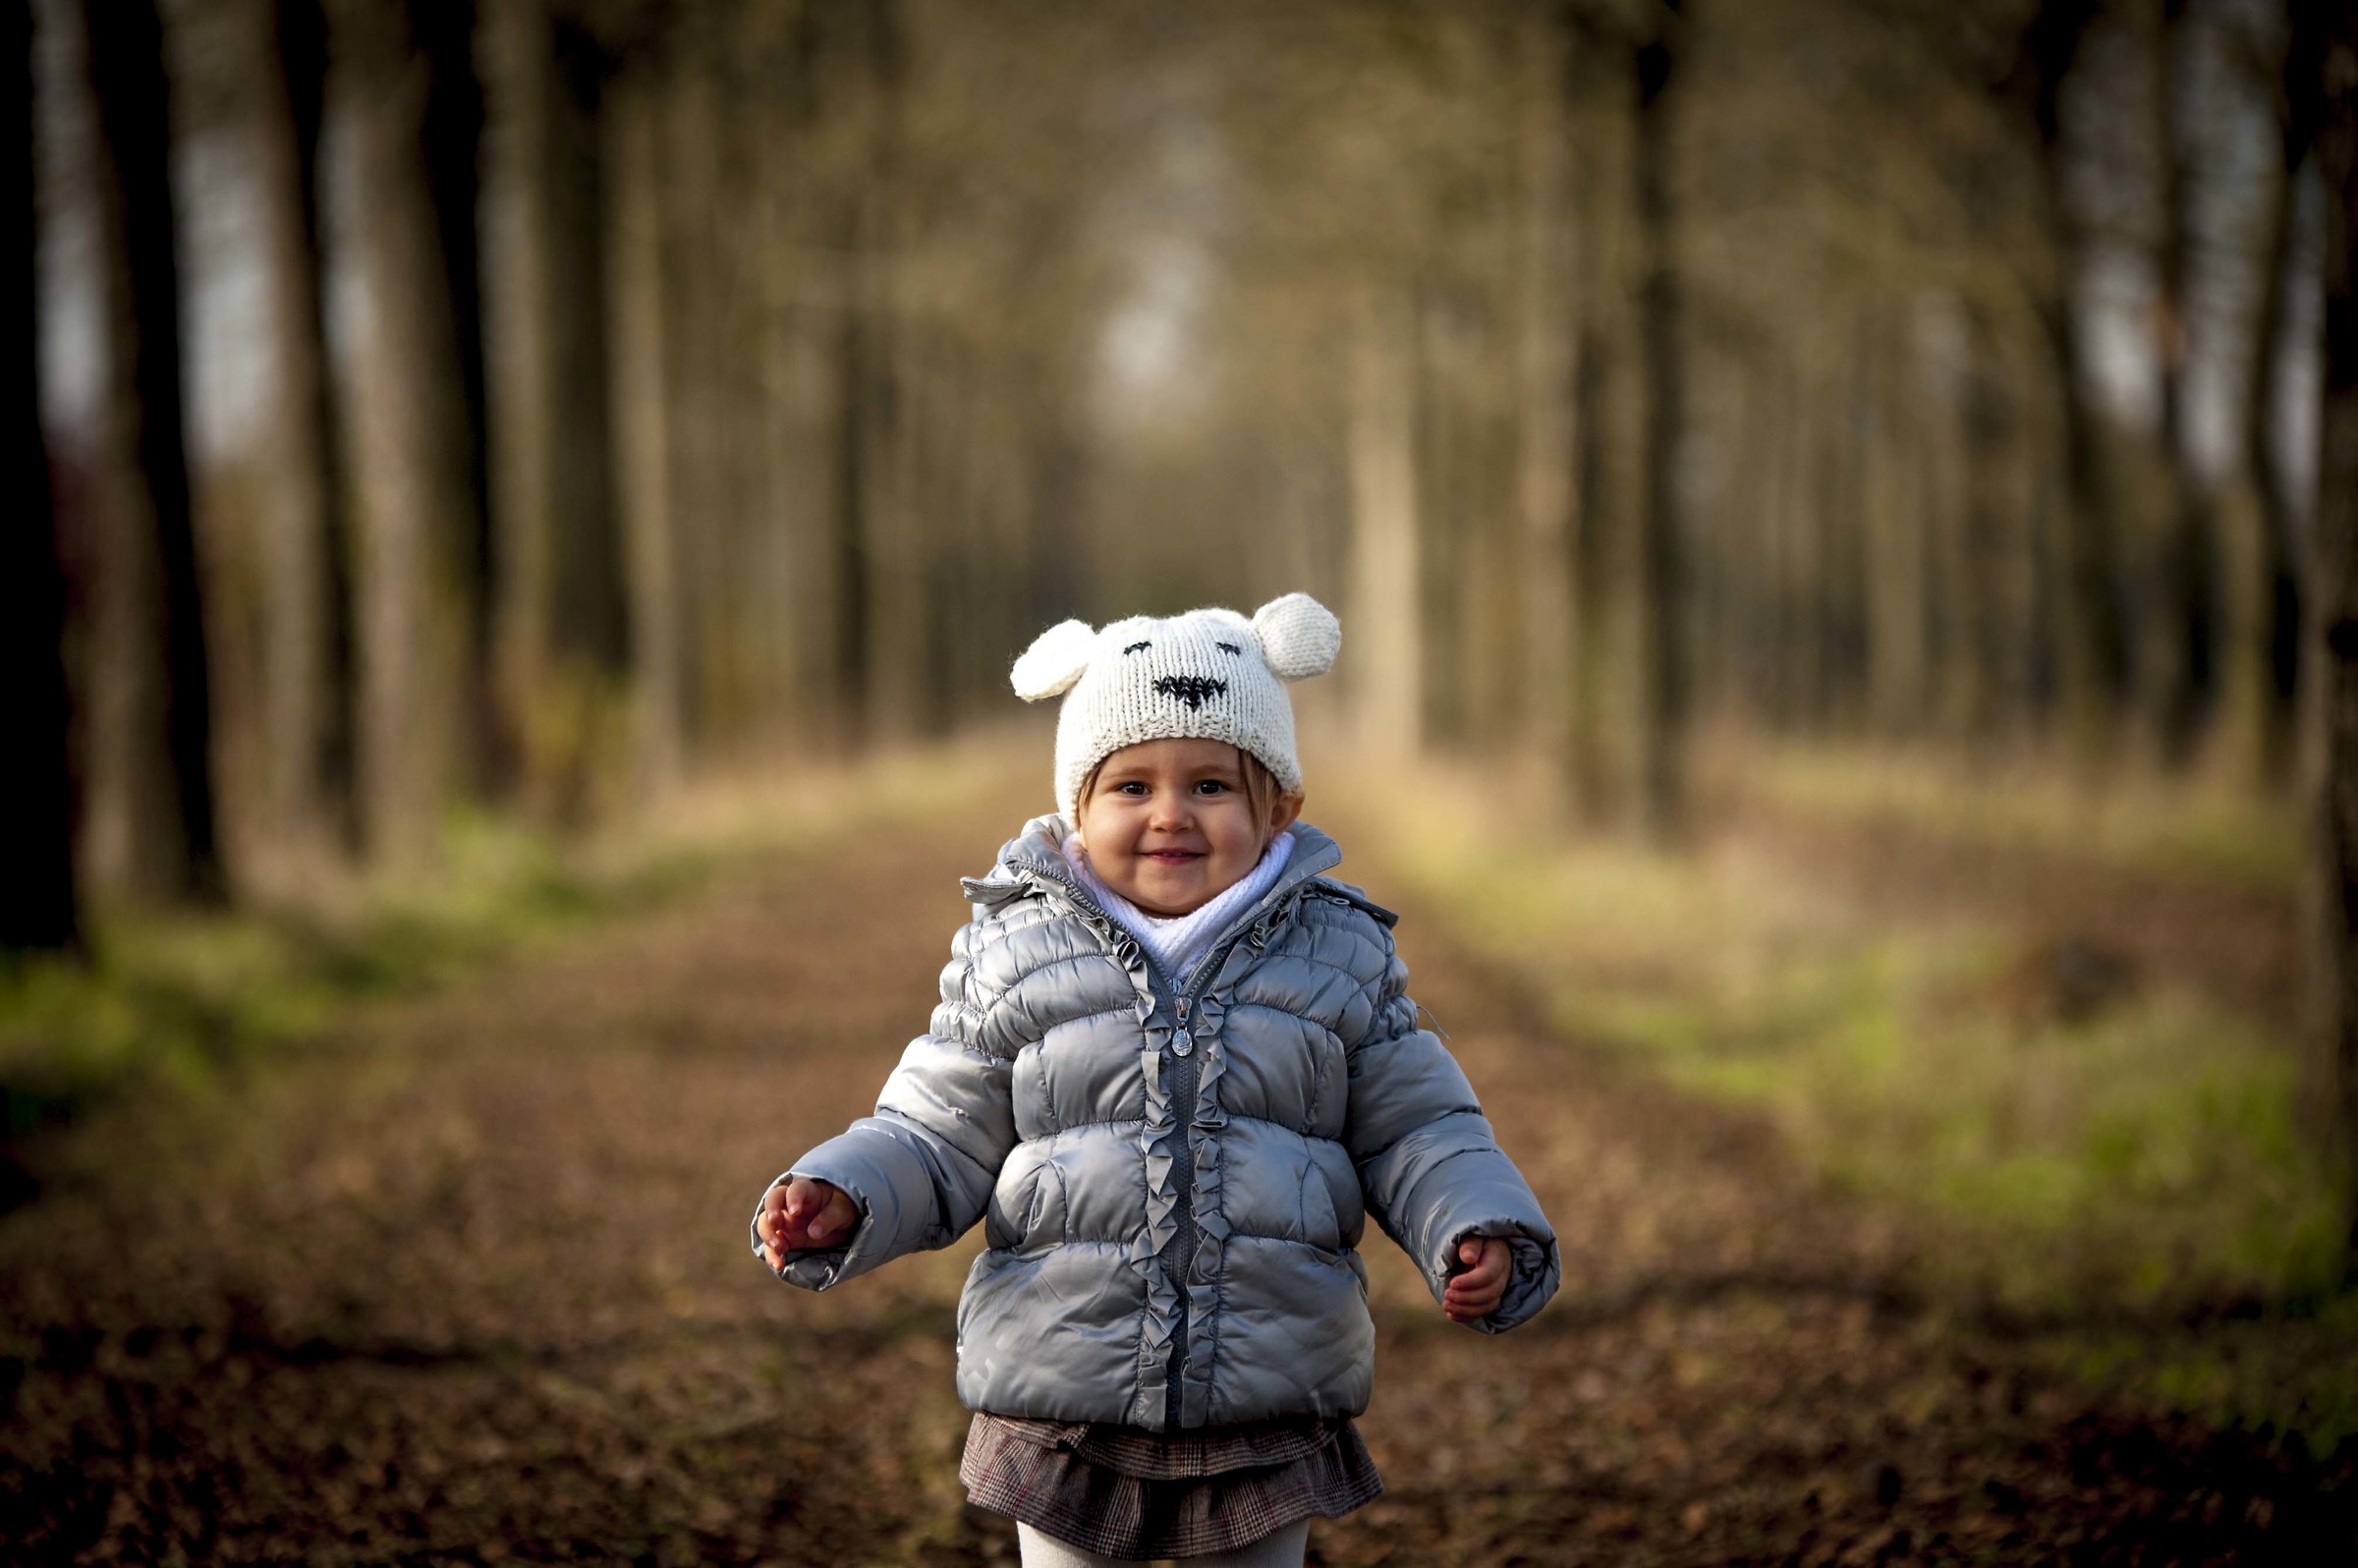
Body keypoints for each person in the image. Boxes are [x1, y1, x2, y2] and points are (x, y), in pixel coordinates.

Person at [752, 592, 1560, 1567]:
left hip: (1266, 1385)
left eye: (1211, 786)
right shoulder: (1019, 953)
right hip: (1062, 1392)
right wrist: (848, 1192)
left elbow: (1418, 1125)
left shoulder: (1335, 955)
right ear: (1077, 811)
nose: (1170, 814)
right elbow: (934, 1131)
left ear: (1279, 810)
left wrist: (1475, 1221)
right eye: (1130, 787)